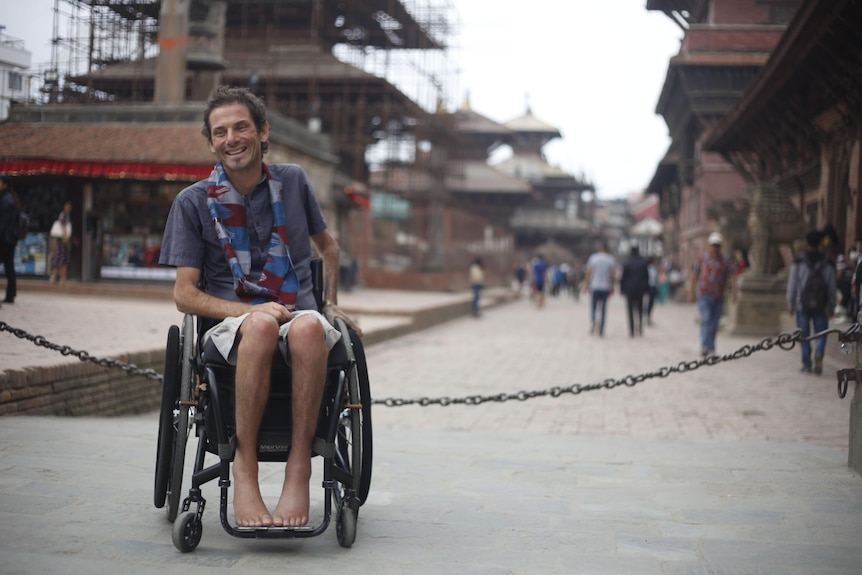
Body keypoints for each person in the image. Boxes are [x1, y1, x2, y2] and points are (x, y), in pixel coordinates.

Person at [158, 85, 360, 528]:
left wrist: (330, 303)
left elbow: (329, 248)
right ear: (211, 142)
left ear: (262, 131)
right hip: (230, 328)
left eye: (241, 127)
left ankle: (298, 469)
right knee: (262, 329)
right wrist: (248, 312)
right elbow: (184, 295)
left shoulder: (294, 181)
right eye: (221, 131)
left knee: (308, 329)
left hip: (299, 312)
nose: (232, 137)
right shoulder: (192, 202)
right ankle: (244, 468)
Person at [787, 229, 836, 374]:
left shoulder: (798, 261)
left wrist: (790, 303)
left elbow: (793, 283)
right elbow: (831, 286)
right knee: (821, 332)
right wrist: (832, 306)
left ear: (807, 242)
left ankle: (807, 364)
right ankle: (819, 352)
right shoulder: (827, 262)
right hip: (821, 304)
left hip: (803, 303)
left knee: (803, 335)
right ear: (819, 243)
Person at [688, 232, 737, 357]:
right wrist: (691, 291)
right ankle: (705, 346)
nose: (715, 248)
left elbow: (733, 275)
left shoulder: (725, 261)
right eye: (713, 245)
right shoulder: (702, 259)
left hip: (718, 296)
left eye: (718, 245)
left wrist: (734, 292)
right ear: (709, 245)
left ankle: (711, 346)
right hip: (704, 294)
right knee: (706, 318)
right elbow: (694, 275)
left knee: (714, 322)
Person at [583, 241, 617, 336]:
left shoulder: (593, 258)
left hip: (595, 286)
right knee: (603, 309)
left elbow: (589, 273)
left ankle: (593, 321)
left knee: (593, 307)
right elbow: (612, 275)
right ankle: (601, 328)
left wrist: (586, 285)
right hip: (605, 287)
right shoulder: (610, 259)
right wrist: (613, 286)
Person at [620, 246, 650, 337]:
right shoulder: (643, 262)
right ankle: (640, 326)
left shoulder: (627, 262)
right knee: (640, 309)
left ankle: (632, 330)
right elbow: (646, 277)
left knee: (630, 310)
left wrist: (622, 289)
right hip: (640, 288)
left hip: (629, 289)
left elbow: (623, 278)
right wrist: (646, 289)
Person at [0, 176, 20, 305]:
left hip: (4, 239)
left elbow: (3, 222)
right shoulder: (10, 198)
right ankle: (11, 294)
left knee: (9, 267)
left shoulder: (6, 200)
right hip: (9, 239)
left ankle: (10, 294)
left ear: (5, 184)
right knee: (9, 267)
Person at [48, 200, 73, 286]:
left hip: (62, 241)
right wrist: (65, 238)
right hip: (62, 241)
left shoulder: (66, 215)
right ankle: (62, 279)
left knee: (59, 261)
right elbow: (63, 227)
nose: (69, 208)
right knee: (62, 262)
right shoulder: (64, 215)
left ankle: (54, 278)